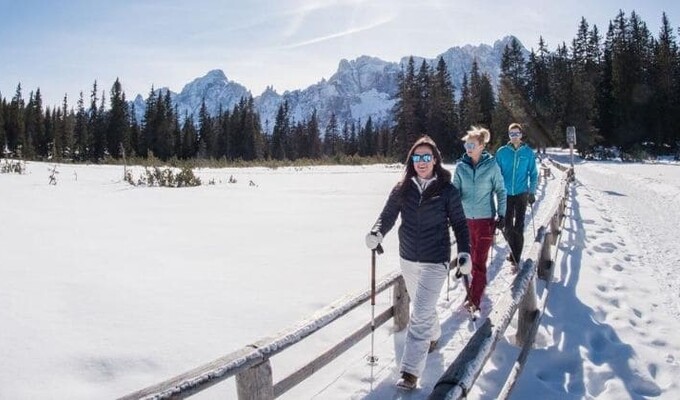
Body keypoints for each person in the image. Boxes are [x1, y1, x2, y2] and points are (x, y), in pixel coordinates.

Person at [365, 135, 470, 391]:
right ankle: (433, 336)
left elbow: (459, 224)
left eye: (426, 157)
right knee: (424, 306)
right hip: (409, 257)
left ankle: (410, 372)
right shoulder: (402, 188)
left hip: (436, 258)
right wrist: (376, 232)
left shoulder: (447, 189)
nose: (421, 162)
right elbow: (387, 216)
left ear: (435, 160)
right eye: (417, 157)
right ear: (412, 160)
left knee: (421, 311)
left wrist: (465, 253)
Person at [452, 126, 506, 313]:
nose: (468, 147)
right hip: (465, 222)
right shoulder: (460, 167)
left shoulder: (492, 166)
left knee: (479, 261)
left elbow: (500, 190)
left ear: (482, 145)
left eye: (472, 144)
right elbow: (454, 193)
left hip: (485, 221)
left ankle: (474, 300)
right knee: (469, 259)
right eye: (467, 144)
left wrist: (502, 214)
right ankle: (476, 287)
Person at [495, 123, 538, 270]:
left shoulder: (528, 153)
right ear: (508, 135)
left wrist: (532, 192)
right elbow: (496, 173)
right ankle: (513, 250)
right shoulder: (501, 152)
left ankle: (516, 258)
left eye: (517, 133)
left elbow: (533, 174)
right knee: (507, 228)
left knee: (519, 227)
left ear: (521, 134)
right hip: (506, 194)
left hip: (521, 194)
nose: (514, 137)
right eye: (511, 134)